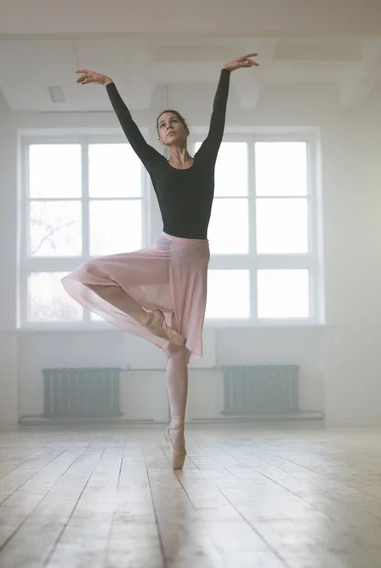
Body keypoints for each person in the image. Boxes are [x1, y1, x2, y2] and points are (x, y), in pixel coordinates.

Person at [61, 53, 259, 469]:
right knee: (92, 273)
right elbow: (131, 131)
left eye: (173, 122)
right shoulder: (155, 163)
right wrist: (110, 84)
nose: (167, 127)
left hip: (194, 260)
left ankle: (177, 432)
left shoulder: (205, 160)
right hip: (165, 249)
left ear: (186, 130)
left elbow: (219, 119)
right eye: (162, 125)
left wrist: (224, 73)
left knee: (178, 350)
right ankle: (149, 318)